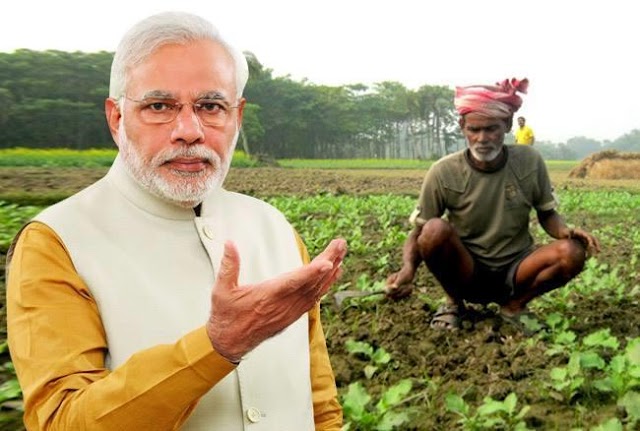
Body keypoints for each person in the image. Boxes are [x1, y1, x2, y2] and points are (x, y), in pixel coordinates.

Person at [6, 11, 347, 430]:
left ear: (236, 117)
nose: (189, 130)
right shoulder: (58, 242)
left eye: (210, 106)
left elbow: (320, 406)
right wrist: (215, 347)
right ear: (116, 118)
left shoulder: (274, 228)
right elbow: (62, 421)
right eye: (159, 106)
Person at [385, 78, 599, 331]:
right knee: (432, 230)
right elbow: (419, 231)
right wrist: (408, 269)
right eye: (474, 130)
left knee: (571, 252)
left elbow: (547, 212)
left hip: (517, 269)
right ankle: (454, 303)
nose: (482, 138)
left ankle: (515, 306)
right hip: (467, 270)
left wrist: (565, 232)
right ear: (462, 126)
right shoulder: (443, 171)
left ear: (507, 125)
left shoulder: (529, 161)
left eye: (491, 129)